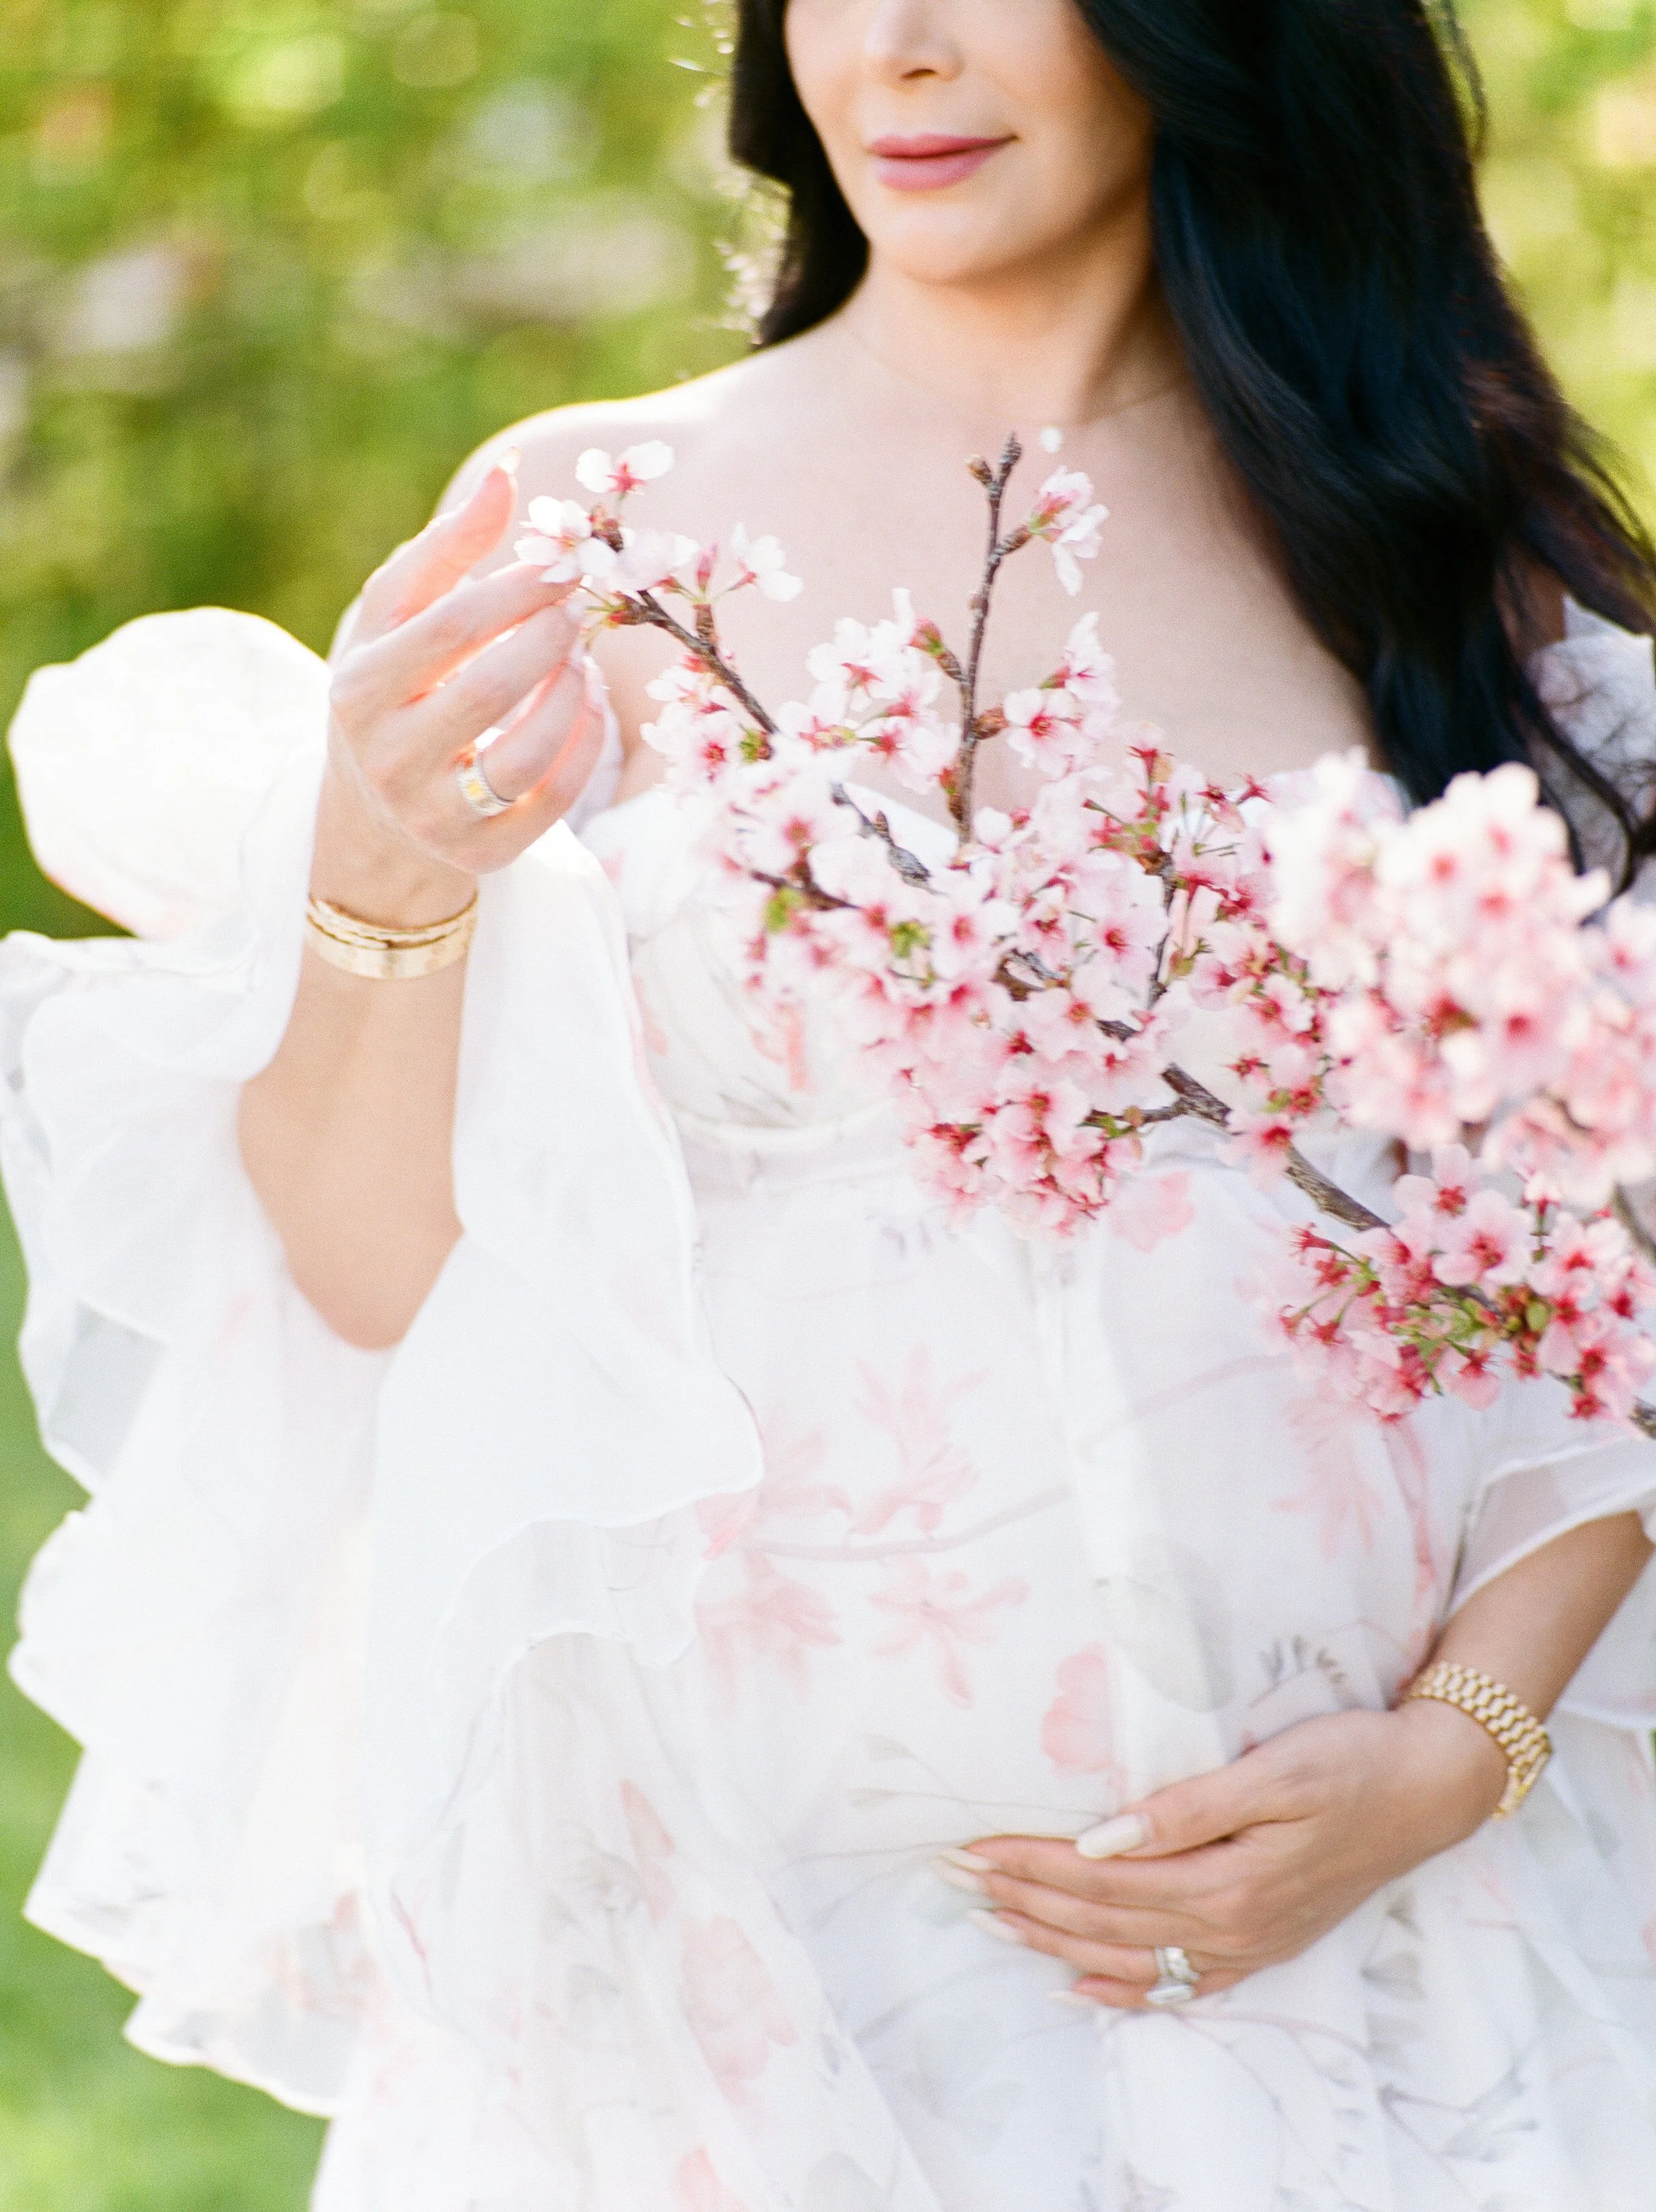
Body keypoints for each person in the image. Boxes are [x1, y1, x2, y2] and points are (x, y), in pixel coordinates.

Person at [4, 2, 1655, 2206]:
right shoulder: (593, 533)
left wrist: (1459, 1760)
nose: (899, 44)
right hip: (737, 1989)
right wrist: (380, 889)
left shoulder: (1433, 550)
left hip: (1369, 1984)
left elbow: (1598, 1271)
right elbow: (377, 1287)